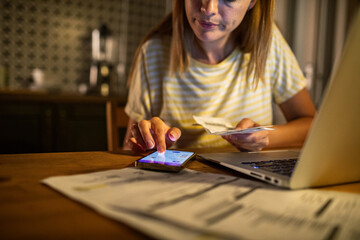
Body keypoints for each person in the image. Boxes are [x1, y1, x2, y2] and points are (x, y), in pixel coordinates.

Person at [123, 0, 316, 154]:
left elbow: (310, 125)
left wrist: (264, 138)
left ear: (253, 2)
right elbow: (129, 146)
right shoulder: (153, 53)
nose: (209, 8)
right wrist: (149, 144)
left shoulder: (267, 44)